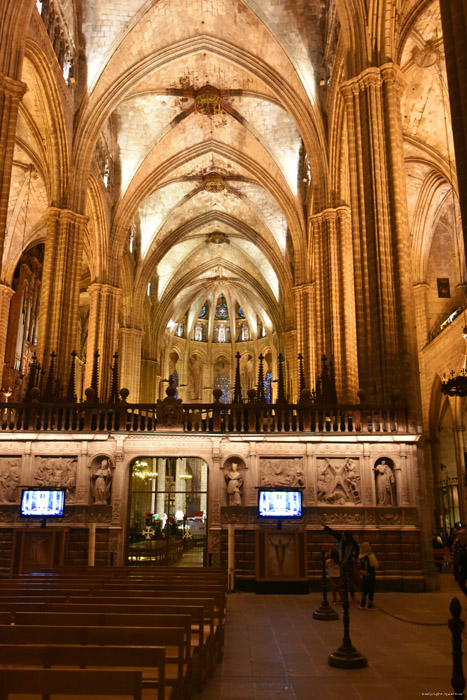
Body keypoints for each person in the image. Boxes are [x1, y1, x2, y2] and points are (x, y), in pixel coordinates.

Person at [322, 522, 360, 602]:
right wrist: (325, 526)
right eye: (342, 535)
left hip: (348, 562)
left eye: (343, 536)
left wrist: (354, 557)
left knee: (350, 579)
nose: (342, 537)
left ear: (347, 537)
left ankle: (352, 596)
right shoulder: (341, 540)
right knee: (341, 580)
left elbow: (357, 550)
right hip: (341, 562)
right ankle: (342, 596)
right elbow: (333, 533)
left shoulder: (352, 543)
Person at [358, 541, 379, 609]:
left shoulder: (361, 556)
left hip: (364, 576)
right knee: (371, 591)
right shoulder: (371, 556)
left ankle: (362, 604)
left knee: (364, 591)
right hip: (371, 575)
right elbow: (376, 566)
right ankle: (370, 605)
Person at [453, 528, 467, 596]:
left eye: (462, 535)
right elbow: (455, 554)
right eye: (459, 535)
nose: (460, 537)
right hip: (463, 567)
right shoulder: (457, 544)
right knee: (461, 583)